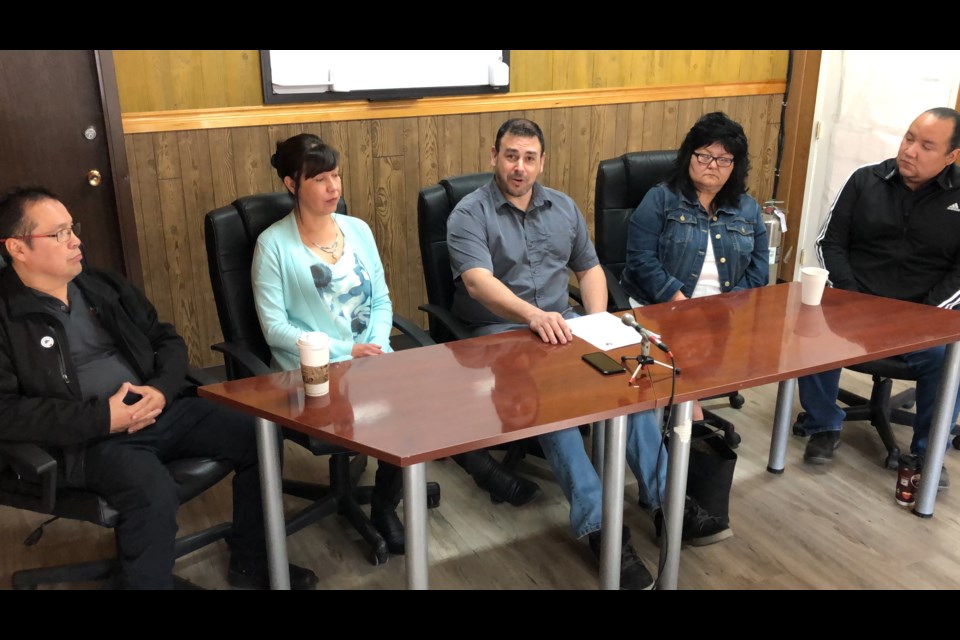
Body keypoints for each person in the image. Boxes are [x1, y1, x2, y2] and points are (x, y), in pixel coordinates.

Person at [0, 186, 318, 590]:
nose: (76, 240)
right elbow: (5, 411)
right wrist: (103, 417)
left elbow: (166, 340)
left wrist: (162, 390)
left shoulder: (101, 286)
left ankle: (251, 561)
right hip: (90, 439)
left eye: (72, 228)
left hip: (159, 407)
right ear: (18, 248)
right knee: (152, 494)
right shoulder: (6, 317)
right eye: (59, 233)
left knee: (260, 431)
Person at [251, 134, 539, 556]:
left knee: (422, 391)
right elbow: (275, 328)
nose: (334, 187)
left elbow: (382, 300)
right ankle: (424, 492)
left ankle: (390, 504)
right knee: (411, 404)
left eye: (337, 175)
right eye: (320, 179)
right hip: (310, 373)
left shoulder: (358, 230)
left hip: (370, 359)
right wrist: (347, 352)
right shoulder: (272, 246)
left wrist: (376, 344)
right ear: (292, 185)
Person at [447, 118, 692, 590]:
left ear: (542, 162)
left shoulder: (562, 206)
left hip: (565, 325)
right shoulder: (468, 213)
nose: (519, 167)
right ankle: (599, 524)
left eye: (529, 157)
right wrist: (532, 316)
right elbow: (478, 282)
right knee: (554, 403)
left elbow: (591, 267)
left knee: (632, 380)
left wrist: (598, 322)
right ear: (493, 156)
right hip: (501, 334)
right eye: (511, 155)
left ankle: (664, 497)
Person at [619, 111, 768, 540]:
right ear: (689, 156)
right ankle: (678, 488)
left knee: (691, 385)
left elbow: (760, 271)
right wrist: (680, 301)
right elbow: (639, 261)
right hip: (661, 311)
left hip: (725, 320)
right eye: (705, 155)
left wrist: (723, 310)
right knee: (682, 389)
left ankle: (680, 475)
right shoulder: (660, 200)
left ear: (736, 166)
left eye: (725, 160)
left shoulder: (748, 209)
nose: (713, 166)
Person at [796, 107, 960, 485]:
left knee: (951, 355)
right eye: (909, 137)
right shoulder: (865, 180)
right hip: (857, 306)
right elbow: (829, 243)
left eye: (926, 146)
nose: (910, 150)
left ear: (951, 156)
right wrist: (853, 302)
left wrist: (922, 317)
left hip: (923, 319)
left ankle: (926, 453)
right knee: (811, 325)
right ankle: (823, 424)